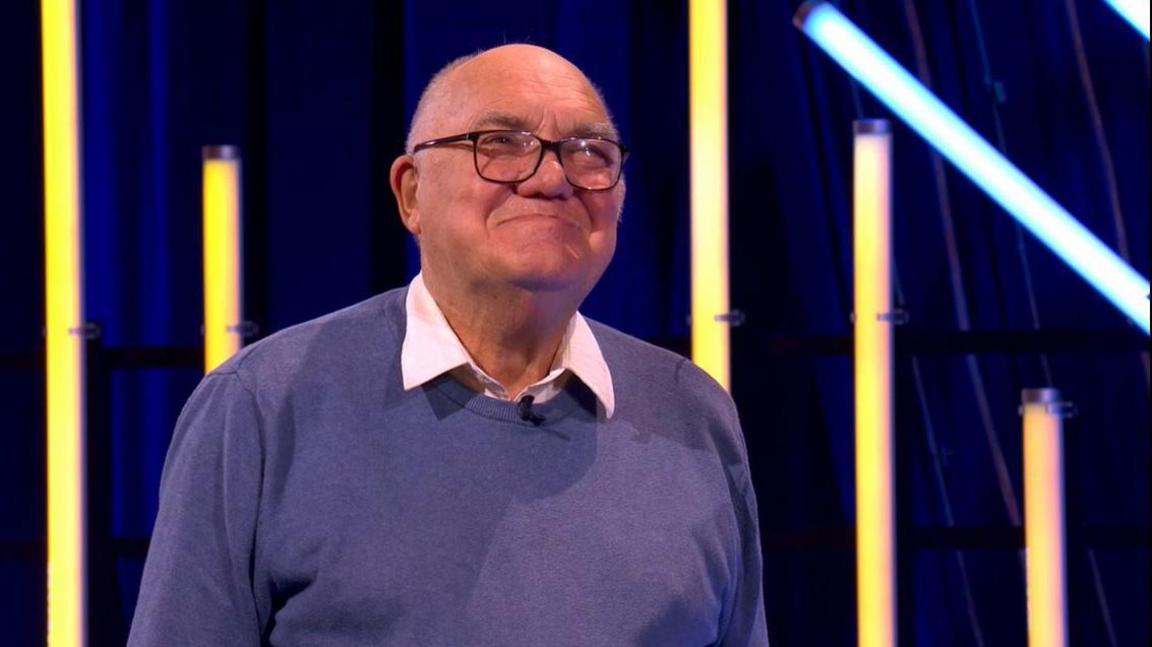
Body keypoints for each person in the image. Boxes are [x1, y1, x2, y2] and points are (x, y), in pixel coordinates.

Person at [129, 44, 768, 646]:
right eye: (502, 144)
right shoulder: (262, 406)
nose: (553, 180)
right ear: (411, 192)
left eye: (589, 152)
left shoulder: (694, 412)